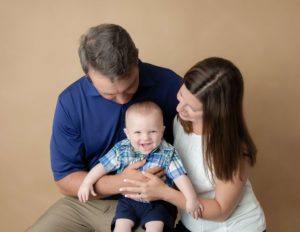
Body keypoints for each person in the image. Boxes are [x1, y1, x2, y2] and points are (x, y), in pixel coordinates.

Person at [26, 24, 182, 232]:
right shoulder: (70, 102)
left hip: (151, 204)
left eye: (130, 87)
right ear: (88, 75)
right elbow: (65, 180)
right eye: (109, 94)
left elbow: (202, 144)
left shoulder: (171, 85)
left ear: (136, 56)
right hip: (86, 203)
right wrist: (123, 181)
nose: (122, 99)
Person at [120, 57, 267, 232]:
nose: (179, 108)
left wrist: (163, 193)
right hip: (193, 224)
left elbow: (221, 211)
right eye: (181, 95)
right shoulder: (180, 122)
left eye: (191, 108)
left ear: (217, 111)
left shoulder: (234, 150)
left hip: (234, 227)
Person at [78, 101, 202, 231]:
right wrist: (87, 182)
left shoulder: (167, 152)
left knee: (155, 227)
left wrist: (191, 199)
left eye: (153, 131)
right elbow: (102, 166)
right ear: (127, 133)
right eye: (137, 132)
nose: (146, 137)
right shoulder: (122, 149)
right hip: (129, 201)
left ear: (162, 130)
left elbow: (180, 177)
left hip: (158, 202)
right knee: (121, 226)